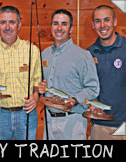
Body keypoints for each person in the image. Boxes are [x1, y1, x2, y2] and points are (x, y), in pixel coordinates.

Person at [0, 6, 42, 140]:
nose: (7, 27)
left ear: (19, 25)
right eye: (3, 22)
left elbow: (37, 82)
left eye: (12, 22)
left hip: (26, 114)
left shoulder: (32, 50)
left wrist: (36, 97)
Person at [38, 9, 100, 140]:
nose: (59, 28)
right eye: (55, 23)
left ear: (71, 28)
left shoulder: (83, 56)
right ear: (51, 27)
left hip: (73, 122)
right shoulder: (44, 54)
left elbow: (93, 88)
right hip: (49, 121)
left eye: (64, 24)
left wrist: (75, 99)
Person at [87, 5, 126, 140]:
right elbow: (88, 87)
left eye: (107, 20)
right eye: (97, 21)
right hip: (99, 126)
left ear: (114, 22)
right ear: (93, 25)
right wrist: (91, 102)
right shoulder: (89, 53)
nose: (102, 25)